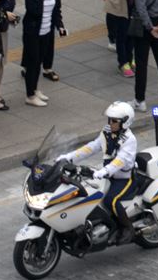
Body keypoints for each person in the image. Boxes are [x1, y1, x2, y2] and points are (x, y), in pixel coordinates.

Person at [57, 100, 137, 243]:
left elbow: (121, 161)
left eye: (114, 121)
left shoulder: (130, 140)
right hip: (107, 176)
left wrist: (104, 171)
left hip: (123, 178)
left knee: (110, 200)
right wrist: (69, 157)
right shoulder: (107, 132)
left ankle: (127, 228)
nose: (110, 123)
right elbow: (91, 147)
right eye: (110, 119)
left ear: (125, 122)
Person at [22, 0, 67, 107]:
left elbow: (56, 10)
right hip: (33, 33)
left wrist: (60, 26)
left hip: (46, 32)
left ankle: (34, 89)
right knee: (32, 63)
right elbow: (33, 11)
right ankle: (30, 95)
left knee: (39, 62)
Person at [104, 0, 135, 78]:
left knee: (131, 35)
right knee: (122, 36)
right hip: (121, 6)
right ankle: (123, 63)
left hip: (131, 6)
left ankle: (129, 59)